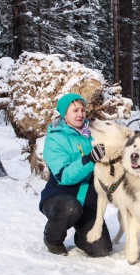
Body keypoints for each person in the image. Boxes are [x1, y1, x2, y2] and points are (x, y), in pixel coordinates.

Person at [39, 93, 112, 257]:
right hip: (60, 197)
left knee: (102, 249)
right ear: (65, 114)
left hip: (88, 201)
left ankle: (82, 239)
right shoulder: (55, 138)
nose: (80, 114)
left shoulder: (94, 133)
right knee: (71, 208)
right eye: (75, 110)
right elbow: (64, 176)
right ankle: (52, 238)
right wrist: (90, 159)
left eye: (82, 109)